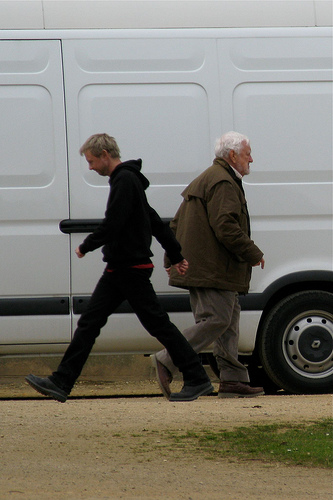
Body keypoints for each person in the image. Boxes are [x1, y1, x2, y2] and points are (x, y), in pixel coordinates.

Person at [26, 133, 213, 403]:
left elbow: (114, 222)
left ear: (105, 155)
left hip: (129, 268)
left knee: (155, 325)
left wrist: (87, 245)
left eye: (91, 161)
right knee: (92, 323)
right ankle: (61, 381)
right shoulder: (129, 180)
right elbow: (154, 220)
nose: (90, 167)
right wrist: (176, 254)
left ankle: (197, 378)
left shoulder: (125, 180)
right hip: (121, 268)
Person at [151, 131, 265, 399]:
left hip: (207, 267)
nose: (252, 159)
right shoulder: (223, 182)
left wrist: (172, 257)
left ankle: (232, 379)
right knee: (218, 319)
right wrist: (252, 252)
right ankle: (167, 359)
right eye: (248, 154)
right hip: (212, 269)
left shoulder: (207, 178)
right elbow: (226, 226)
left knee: (229, 321)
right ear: (233, 155)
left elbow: (177, 222)